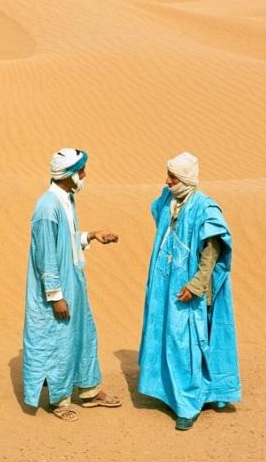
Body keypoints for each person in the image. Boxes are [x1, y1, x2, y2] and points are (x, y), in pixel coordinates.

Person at [138, 152, 241, 430]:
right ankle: (171, 393)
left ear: (185, 179)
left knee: (186, 344)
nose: (167, 181)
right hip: (165, 284)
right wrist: (170, 187)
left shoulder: (205, 208)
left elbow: (212, 252)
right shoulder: (170, 202)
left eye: (173, 177)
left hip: (188, 288)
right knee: (166, 337)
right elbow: (158, 210)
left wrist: (195, 285)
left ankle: (188, 405)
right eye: (168, 175)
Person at [22, 148, 122, 421]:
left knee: (83, 334)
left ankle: (89, 392)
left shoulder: (66, 199)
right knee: (59, 342)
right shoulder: (46, 207)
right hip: (57, 288)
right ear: (67, 175)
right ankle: (60, 400)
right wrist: (56, 296)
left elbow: (64, 242)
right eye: (81, 171)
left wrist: (90, 236)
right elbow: (46, 257)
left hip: (74, 280)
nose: (85, 175)